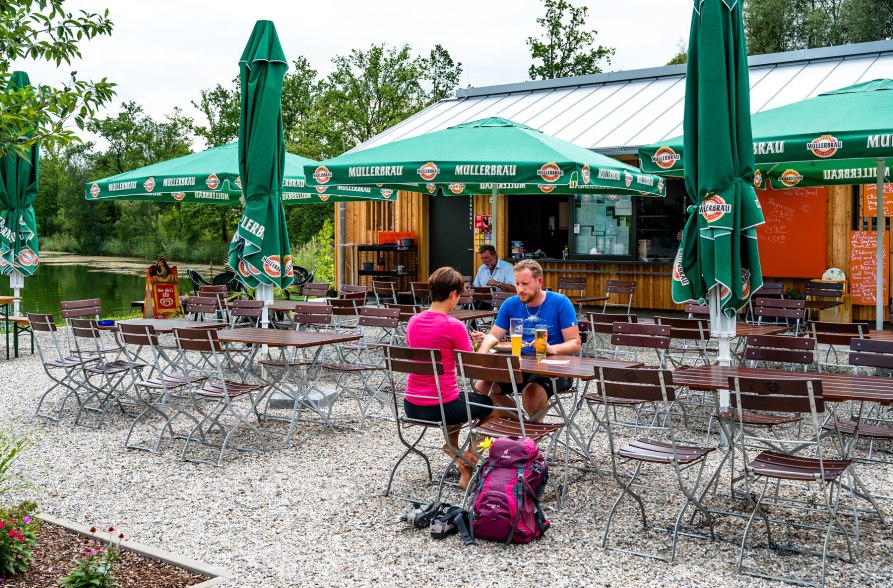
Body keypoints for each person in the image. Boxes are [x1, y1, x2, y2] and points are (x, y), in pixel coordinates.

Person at [405, 266, 494, 489]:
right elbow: (472, 366)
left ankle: (453, 448)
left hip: (412, 405)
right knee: (492, 408)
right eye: (459, 296)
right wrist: (485, 343)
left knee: (458, 399)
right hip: (443, 406)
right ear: (453, 294)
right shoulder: (453, 325)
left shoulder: (413, 321)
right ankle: (468, 463)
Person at [475, 259, 581, 421]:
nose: (520, 289)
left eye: (525, 284)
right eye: (517, 284)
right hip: (520, 367)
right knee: (482, 386)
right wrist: (483, 353)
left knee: (531, 393)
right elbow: (493, 336)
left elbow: (575, 343)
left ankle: (531, 433)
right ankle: (521, 423)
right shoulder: (510, 304)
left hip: (553, 368)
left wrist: (552, 349)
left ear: (539, 282)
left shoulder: (560, 302)